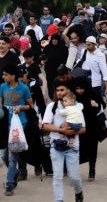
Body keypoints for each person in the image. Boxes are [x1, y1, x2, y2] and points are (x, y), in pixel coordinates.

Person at [41, 80, 85, 202]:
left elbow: (83, 129)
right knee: (57, 176)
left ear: (68, 91)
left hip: (72, 147)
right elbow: (45, 125)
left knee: (74, 177)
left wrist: (72, 132)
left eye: (62, 90)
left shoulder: (76, 107)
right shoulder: (52, 107)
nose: (59, 93)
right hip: (56, 146)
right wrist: (61, 131)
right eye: (58, 90)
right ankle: (58, 200)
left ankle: (78, 192)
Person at [0, 64, 34, 196]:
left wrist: (21, 107)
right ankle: (15, 172)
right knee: (4, 155)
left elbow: (30, 106)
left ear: (13, 76)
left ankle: (9, 185)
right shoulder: (2, 87)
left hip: (19, 124)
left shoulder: (24, 88)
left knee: (12, 155)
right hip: (4, 125)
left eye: (5, 75)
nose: (3, 77)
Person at [73, 77, 105, 182]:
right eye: (77, 89)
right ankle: (75, 173)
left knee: (92, 148)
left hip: (92, 127)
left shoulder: (93, 94)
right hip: (78, 127)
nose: (79, 91)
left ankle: (92, 170)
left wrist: (97, 104)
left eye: (81, 89)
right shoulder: (73, 97)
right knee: (77, 149)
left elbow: (103, 105)